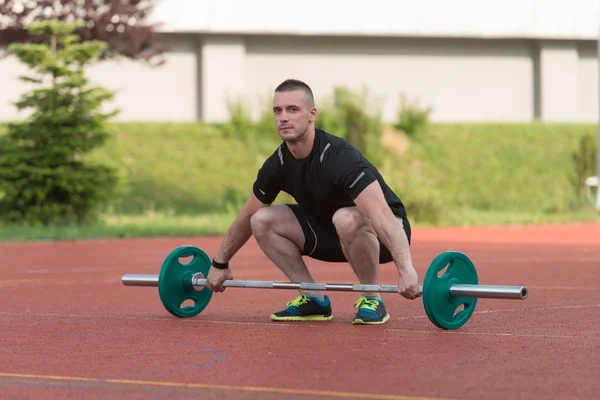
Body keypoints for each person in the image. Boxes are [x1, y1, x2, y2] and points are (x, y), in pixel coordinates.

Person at [206, 79, 421, 325]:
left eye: (292, 109)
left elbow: (382, 214)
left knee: (346, 217)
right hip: (329, 233)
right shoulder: (277, 164)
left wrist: (406, 269)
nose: (283, 118)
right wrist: (220, 262)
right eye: (278, 111)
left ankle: (371, 298)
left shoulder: (339, 157)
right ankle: (313, 298)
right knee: (261, 220)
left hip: (384, 235)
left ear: (312, 114)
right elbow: (246, 216)